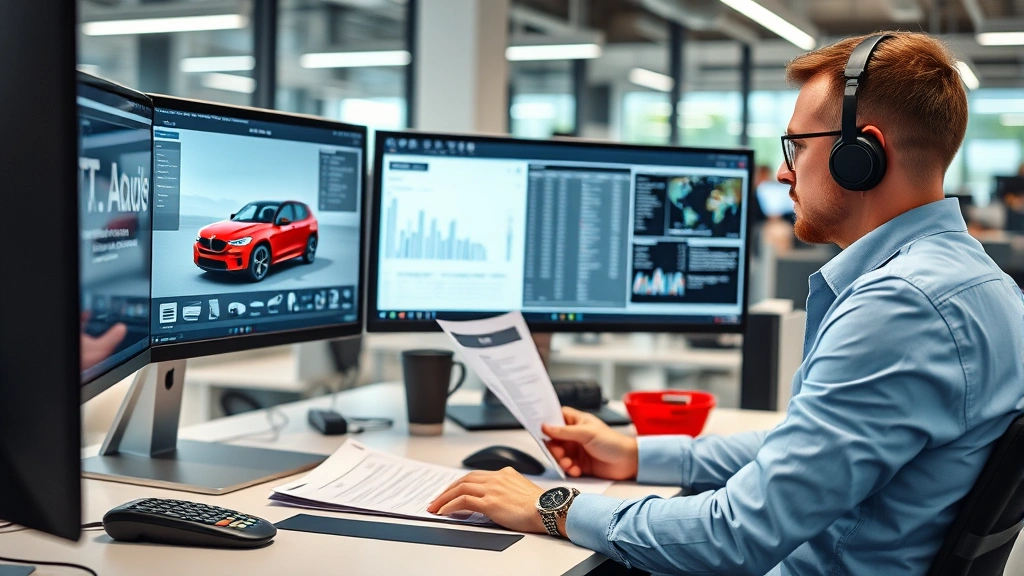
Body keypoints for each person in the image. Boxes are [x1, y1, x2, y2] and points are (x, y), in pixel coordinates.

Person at [428, 31, 1024, 575]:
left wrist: (554, 504)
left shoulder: (898, 308)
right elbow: (808, 447)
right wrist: (638, 451)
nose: (785, 176)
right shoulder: (986, 286)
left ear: (859, 153)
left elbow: (735, 535)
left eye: (797, 147)